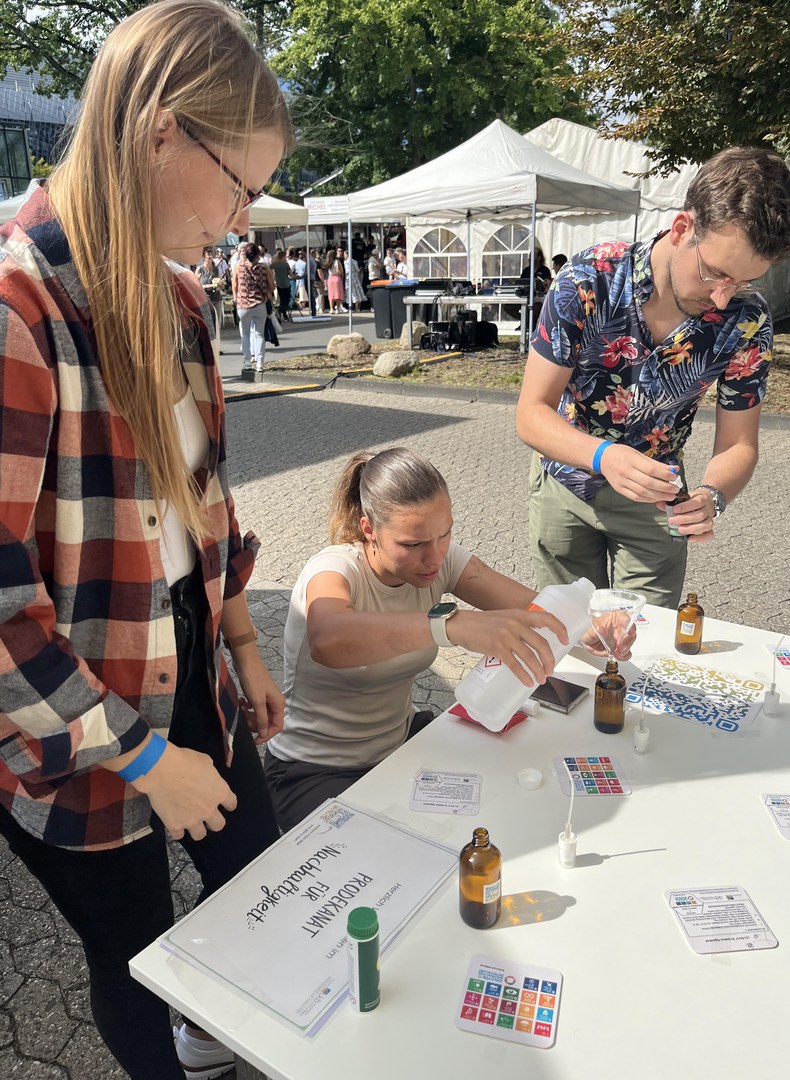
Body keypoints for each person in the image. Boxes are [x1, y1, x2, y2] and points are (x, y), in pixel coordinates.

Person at [0, 3, 291, 1078]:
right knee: (134, 961)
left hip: (193, 676)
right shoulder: (15, 306)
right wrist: (134, 752)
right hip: (73, 721)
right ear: (163, 130)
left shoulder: (178, 301)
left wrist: (244, 643)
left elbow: (199, 501)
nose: (243, 219)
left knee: (263, 900)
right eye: (241, 185)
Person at [264, 447, 627, 832]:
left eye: (445, 533)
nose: (434, 557)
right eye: (413, 544)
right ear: (368, 528)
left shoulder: (442, 560)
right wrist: (450, 625)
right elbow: (329, 639)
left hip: (399, 748)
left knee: (507, 809)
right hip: (313, 770)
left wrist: (590, 627)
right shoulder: (333, 570)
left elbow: (535, 610)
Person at [516, 147, 790, 608]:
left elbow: (738, 443)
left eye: (746, 282)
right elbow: (531, 413)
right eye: (716, 274)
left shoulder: (748, 321)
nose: (725, 299)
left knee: (642, 652)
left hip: (657, 497)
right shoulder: (590, 279)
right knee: (564, 636)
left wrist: (712, 496)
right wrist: (603, 456)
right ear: (682, 228)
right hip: (563, 480)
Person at [234, 240, 278, 367]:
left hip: (243, 305)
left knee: (246, 334)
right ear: (257, 255)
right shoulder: (264, 267)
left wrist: (237, 297)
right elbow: (272, 285)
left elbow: (234, 285)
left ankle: (247, 361)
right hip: (259, 304)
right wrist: (267, 291)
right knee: (259, 335)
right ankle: (259, 363)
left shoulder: (238, 266)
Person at [195, 249, 225, 332]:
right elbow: (195, 286)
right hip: (205, 300)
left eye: (211, 254)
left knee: (217, 325)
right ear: (203, 257)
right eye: (208, 254)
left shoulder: (216, 269)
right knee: (208, 324)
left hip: (217, 299)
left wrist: (220, 284)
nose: (210, 256)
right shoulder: (200, 269)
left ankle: (217, 343)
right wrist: (209, 285)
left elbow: (222, 286)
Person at [271, 246, 292, 320]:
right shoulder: (285, 264)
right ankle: (281, 311)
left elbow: (269, 267)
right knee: (287, 300)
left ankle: (282, 312)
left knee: (283, 300)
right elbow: (290, 273)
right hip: (285, 284)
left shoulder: (275, 264)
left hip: (280, 284)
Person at [324, 247, 345, 313]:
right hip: (337, 278)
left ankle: (331, 309)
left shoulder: (328, 263)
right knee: (338, 294)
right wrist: (342, 276)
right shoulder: (337, 262)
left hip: (330, 278)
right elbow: (341, 271)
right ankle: (337, 309)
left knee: (331, 294)